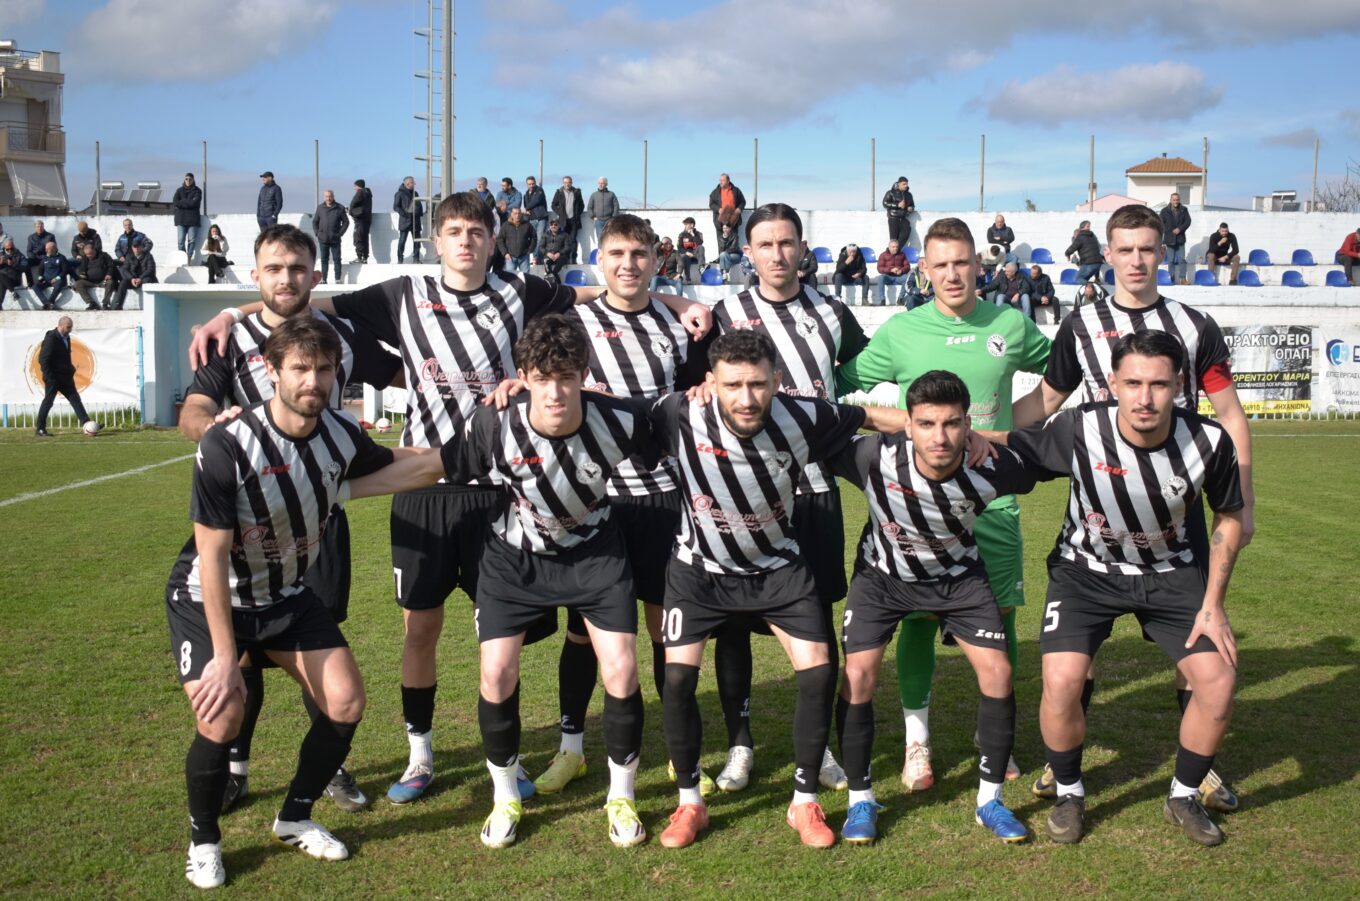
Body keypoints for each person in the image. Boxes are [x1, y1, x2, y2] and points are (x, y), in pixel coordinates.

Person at [187, 192, 711, 812]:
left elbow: (607, 292)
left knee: (501, 641)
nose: (465, 241)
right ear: (436, 240)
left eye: (476, 231)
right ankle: (420, 755)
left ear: (493, 240)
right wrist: (232, 311)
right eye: (454, 231)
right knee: (420, 629)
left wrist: (681, 301)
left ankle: (508, 762)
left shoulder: (521, 291)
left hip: (500, 489)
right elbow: (306, 301)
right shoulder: (402, 294)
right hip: (424, 487)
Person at [166, 315, 434, 887]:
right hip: (211, 596)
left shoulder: (342, 433)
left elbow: (395, 465)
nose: (313, 381)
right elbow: (211, 557)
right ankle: (204, 840)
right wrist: (224, 656)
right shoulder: (227, 443)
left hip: (285, 595)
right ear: (271, 371)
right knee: (224, 713)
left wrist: (478, 448)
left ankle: (294, 817)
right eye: (300, 368)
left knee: (345, 702)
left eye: (324, 369)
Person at [1028, 202, 1255, 814]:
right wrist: (979, 432)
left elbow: (1230, 415)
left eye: (1147, 249)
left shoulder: (1193, 325)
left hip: (1177, 503)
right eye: (1125, 250)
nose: (1136, 261)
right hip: (1100, 495)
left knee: (1196, 638)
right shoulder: (1081, 324)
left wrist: (1245, 499)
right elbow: (1047, 399)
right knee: (1078, 648)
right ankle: (1061, 759)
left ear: (1163, 253)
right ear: (1107, 253)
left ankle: (1198, 771)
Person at [651, 330, 910, 850]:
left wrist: (944, 428)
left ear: (777, 381)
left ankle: (803, 801)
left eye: (757, 384)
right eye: (733, 385)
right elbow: (598, 413)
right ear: (711, 382)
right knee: (676, 680)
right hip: (700, 570)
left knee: (819, 672)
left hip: (778, 568)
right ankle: (690, 803)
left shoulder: (804, 415)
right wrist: (519, 394)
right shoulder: (677, 412)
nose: (746, 398)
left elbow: (871, 416)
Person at [413, 314, 661, 849]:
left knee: (621, 668)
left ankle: (622, 797)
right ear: (522, 377)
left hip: (594, 554)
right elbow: (437, 464)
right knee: (496, 673)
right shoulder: (493, 422)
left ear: (584, 376)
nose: (555, 392)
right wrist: (345, 478)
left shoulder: (621, 419)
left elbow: (680, 425)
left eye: (566, 377)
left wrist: (708, 392)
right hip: (514, 559)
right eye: (543, 378)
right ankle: (505, 796)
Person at [178, 224, 402, 817]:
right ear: (256, 275)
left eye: (297, 269)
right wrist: (213, 430)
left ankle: (331, 767)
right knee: (240, 653)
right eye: (274, 269)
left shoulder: (340, 337)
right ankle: (235, 766)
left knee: (320, 640)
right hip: (249, 517)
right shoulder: (229, 338)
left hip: (318, 515)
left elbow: (407, 373)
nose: (286, 280)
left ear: (314, 275)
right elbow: (194, 409)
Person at [835, 216, 1051, 796]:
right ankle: (917, 739)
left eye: (962, 263)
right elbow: (842, 387)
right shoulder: (901, 331)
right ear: (924, 271)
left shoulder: (1010, 323)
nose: (953, 274)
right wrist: (905, 425)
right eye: (941, 265)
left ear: (978, 265)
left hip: (992, 505)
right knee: (917, 619)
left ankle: (992, 737)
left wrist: (1006, 434)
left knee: (1001, 616)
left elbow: (1060, 374)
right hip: (920, 504)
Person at [1005, 330, 1245, 847]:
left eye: (1158, 384)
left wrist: (1214, 604)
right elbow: (1007, 450)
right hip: (1084, 573)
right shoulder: (1079, 427)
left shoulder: (1209, 441)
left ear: (1178, 386)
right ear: (1113, 383)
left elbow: (1229, 517)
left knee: (1218, 682)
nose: (1145, 397)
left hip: (1171, 574)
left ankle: (1183, 795)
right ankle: (1069, 791)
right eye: (1133, 383)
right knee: (1062, 681)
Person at [531, 215, 711, 799]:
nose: (628, 264)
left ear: (656, 260)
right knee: (584, 633)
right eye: (617, 254)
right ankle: (571, 749)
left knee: (665, 630)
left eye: (639, 254)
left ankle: (675, 749)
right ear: (599, 260)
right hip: (593, 499)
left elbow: (695, 396)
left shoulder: (678, 326)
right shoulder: (573, 324)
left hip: (661, 497)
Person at [834, 370, 1040, 846]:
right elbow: (814, 424)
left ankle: (990, 801)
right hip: (882, 580)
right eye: (926, 424)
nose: (939, 437)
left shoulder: (994, 467)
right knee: (858, 676)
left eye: (951, 424)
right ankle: (860, 800)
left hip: (958, 580)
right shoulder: (872, 456)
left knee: (999, 672)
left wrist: (990, 440)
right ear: (907, 425)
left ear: (968, 424)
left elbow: (1049, 455)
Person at [708, 203, 869, 795]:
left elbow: (863, 371)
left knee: (817, 619)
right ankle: (740, 744)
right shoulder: (724, 314)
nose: (777, 254)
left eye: (786, 243)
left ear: (803, 248)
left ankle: (819, 746)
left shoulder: (832, 312)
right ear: (747, 252)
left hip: (814, 490)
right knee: (732, 624)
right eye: (765, 244)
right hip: (743, 492)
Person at [35, 315, 94, 436]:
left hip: (65, 377)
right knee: (48, 402)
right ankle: (40, 429)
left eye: (71, 327)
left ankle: (88, 424)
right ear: (61, 325)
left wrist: (70, 369)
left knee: (75, 399)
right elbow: (43, 359)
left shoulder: (67, 338)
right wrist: (49, 377)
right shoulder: (51, 338)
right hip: (53, 378)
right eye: (68, 327)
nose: (70, 329)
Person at [312, 190, 349, 284]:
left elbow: (346, 222)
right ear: (324, 197)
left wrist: (340, 233)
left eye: (330, 196)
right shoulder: (320, 208)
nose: (328, 198)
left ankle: (338, 279)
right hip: (323, 239)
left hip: (335, 239)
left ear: (333, 196)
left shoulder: (340, 208)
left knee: (337, 259)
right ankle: (324, 279)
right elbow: (315, 221)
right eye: (326, 196)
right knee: (324, 260)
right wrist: (317, 233)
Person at [72, 241, 119, 311]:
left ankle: (105, 303)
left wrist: (109, 274)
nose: (89, 256)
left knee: (111, 282)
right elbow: (82, 268)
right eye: (87, 254)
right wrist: (82, 274)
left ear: (94, 250)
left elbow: (111, 266)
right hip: (90, 281)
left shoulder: (104, 256)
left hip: (103, 280)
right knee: (78, 284)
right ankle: (91, 303)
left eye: (90, 254)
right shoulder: (85, 258)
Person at [112, 240, 156, 310]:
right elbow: (125, 269)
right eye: (134, 247)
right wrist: (131, 278)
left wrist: (140, 278)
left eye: (138, 247)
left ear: (142, 247)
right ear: (132, 248)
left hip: (144, 279)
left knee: (148, 281)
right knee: (123, 282)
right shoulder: (129, 256)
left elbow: (150, 270)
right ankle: (118, 305)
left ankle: (150, 305)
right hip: (133, 279)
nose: (136, 249)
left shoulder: (148, 256)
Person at [552, 176, 585, 264]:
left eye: (569, 182)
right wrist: (560, 213)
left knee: (573, 240)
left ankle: (573, 259)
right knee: (563, 240)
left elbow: (582, 205)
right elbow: (553, 205)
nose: (567, 184)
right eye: (565, 182)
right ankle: (564, 259)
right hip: (563, 221)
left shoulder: (576, 192)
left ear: (571, 183)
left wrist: (577, 214)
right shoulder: (559, 192)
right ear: (563, 183)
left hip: (574, 220)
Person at [1161, 193, 1192, 285]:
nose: (1176, 201)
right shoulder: (1164, 211)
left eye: (1177, 200)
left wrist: (1180, 229)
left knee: (1182, 259)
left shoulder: (1184, 209)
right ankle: (1171, 278)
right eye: (1174, 200)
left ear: (1179, 200)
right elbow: (1160, 223)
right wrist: (1168, 231)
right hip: (1169, 239)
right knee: (1170, 260)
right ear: (1170, 200)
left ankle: (1183, 279)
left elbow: (1188, 221)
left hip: (1180, 239)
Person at [174, 173, 204, 264]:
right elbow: (175, 202)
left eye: (190, 179)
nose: (188, 181)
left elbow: (195, 203)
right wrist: (189, 202)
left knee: (192, 241)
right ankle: (183, 258)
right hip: (181, 219)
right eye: (186, 179)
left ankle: (189, 258)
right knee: (180, 241)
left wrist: (182, 202)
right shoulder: (179, 190)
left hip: (193, 220)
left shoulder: (197, 191)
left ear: (193, 180)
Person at [496, 207, 536, 275]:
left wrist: (530, 250)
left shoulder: (527, 225)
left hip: (524, 257)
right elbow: (500, 239)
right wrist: (505, 253)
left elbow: (534, 237)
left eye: (519, 213)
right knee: (510, 278)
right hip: (510, 257)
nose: (517, 215)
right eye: (515, 213)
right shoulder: (506, 225)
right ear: (511, 214)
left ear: (521, 214)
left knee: (526, 278)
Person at [394, 176, 423, 264]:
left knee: (417, 241)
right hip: (405, 222)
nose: (414, 184)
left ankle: (416, 259)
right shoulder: (399, 194)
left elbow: (419, 205)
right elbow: (396, 207)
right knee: (402, 241)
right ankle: (400, 260)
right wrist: (404, 214)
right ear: (407, 184)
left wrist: (420, 213)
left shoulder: (415, 193)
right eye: (413, 183)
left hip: (415, 221)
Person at [709, 173, 747, 240]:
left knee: (734, 240)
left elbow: (743, 201)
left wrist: (739, 209)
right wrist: (718, 209)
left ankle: (733, 247)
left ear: (728, 181)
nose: (721, 182)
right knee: (721, 241)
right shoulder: (715, 192)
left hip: (733, 219)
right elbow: (711, 204)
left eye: (723, 180)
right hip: (720, 220)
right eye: (720, 180)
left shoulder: (736, 190)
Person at [32, 240, 68, 310]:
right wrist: (41, 278)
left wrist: (57, 278)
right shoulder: (44, 258)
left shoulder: (61, 258)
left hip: (57, 279)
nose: (46, 251)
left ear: (54, 248)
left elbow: (65, 271)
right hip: (46, 280)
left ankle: (51, 301)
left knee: (58, 285)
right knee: (35, 286)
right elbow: (40, 270)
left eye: (48, 249)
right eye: (46, 249)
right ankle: (46, 303)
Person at [882, 176, 914, 247]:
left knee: (906, 232)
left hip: (903, 218)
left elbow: (912, 205)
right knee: (893, 239)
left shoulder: (909, 195)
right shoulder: (890, 192)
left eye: (907, 184)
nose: (906, 186)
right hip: (893, 218)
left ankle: (895, 250)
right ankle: (893, 251)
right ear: (899, 184)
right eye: (904, 184)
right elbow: (885, 203)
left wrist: (911, 208)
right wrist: (897, 205)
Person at [522, 176, 549, 261]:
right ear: (527, 184)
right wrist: (527, 211)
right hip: (531, 219)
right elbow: (526, 204)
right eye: (529, 184)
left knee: (540, 238)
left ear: (535, 183)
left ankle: (536, 258)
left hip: (541, 218)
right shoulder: (526, 194)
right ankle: (536, 258)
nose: (531, 185)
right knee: (533, 239)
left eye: (533, 183)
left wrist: (526, 208)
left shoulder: (539, 190)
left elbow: (536, 201)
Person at [876, 238, 909, 305]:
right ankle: (882, 300)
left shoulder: (902, 254)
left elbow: (907, 266)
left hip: (899, 277)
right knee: (881, 278)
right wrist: (890, 270)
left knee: (906, 278)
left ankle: (900, 299)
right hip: (888, 276)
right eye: (893, 247)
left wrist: (901, 271)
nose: (895, 248)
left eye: (897, 247)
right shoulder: (883, 255)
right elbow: (879, 268)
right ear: (889, 247)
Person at [588, 177, 620, 245]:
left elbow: (616, 206)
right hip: (598, 221)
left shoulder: (611, 194)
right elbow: (589, 207)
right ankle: (601, 251)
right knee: (600, 238)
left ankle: (609, 251)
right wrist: (593, 216)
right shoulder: (594, 195)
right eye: (599, 183)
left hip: (609, 221)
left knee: (610, 238)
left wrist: (613, 218)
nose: (601, 185)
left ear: (606, 184)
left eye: (602, 183)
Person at [540, 216, 571, 281]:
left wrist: (559, 253)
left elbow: (567, 247)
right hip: (548, 256)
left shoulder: (564, 234)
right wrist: (547, 253)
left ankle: (553, 276)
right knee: (546, 261)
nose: (553, 226)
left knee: (556, 269)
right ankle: (555, 280)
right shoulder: (545, 234)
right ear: (549, 226)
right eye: (551, 224)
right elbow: (541, 247)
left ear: (559, 225)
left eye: (555, 224)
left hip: (560, 256)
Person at [349, 179, 373, 264]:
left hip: (359, 220)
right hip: (367, 220)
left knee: (358, 239)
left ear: (358, 186)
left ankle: (359, 257)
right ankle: (365, 257)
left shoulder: (360, 192)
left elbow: (352, 204)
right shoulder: (368, 193)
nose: (354, 188)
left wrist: (351, 211)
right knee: (365, 239)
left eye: (355, 186)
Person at [676, 217, 706, 283]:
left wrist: (693, 235)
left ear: (692, 225)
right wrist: (686, 252)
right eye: (685, 225)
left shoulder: (698, 234)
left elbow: (699, 243)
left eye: (686, 224)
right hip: (687, 255)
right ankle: (688, 279)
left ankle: (701, 267)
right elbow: (679, 248)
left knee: (701, 247)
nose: (685, 226)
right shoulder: (681, 235)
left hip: (696, 255)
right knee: (684, 257)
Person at [26, 220, 54, 287]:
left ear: (43, 227)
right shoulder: (31, 237)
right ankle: (30, 282)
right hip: (35, 257)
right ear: (35, 228)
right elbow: (29, 251)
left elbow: (54, 249)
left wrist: (48, 255)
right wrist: (32, 257)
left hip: (46, 257)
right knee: (25, 264)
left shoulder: (50, 236)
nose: (39, 228)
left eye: (41, 226)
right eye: (37, 227)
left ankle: (49, 282)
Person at [0, 237, 24, 309]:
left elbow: (25, 265)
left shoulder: (18, 254)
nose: (10, 250)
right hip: (4, 279)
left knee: (1, 277)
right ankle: (13, 292)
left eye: (11, 248)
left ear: (14, 247)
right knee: (2, 280)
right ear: (5, 248)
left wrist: (13, 263)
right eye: (8, 249)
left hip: (14, 278)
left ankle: (13, 293)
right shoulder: (1, 255)